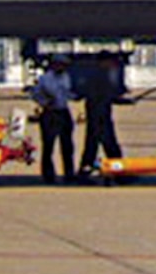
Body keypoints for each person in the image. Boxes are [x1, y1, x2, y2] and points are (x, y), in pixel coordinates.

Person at [76, 52, 126, 176]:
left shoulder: (101, 75)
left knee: (93, 146)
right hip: (99, 117)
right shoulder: (99, 76)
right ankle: (119, 173)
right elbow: (100, 97)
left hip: (101, 115)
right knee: (108, 146)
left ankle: (85, 171)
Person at [30, 55, 75, 183]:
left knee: (67, 145)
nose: (62, 67)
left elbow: (69, 93)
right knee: (49, 146)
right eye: (60, 64)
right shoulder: (45, 79)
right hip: (50, 113)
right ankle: (48, 175)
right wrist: (45, 102)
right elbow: (35, 94)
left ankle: (69, 174)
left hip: (63, 111)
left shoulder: (66, 77)